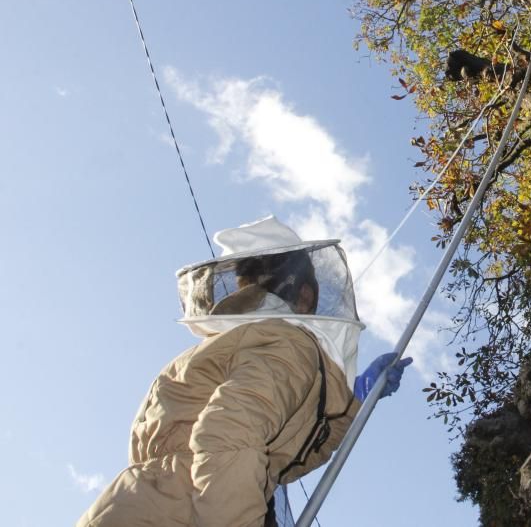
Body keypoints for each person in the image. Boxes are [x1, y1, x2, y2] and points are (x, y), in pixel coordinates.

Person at [77, 217, 411, 527]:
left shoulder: (241, 344)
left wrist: (352, 405)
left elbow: (285, 460)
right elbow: (229, 433)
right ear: (305, 294)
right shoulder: (289, 343)